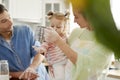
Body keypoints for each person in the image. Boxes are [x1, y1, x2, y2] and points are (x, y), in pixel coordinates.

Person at [43, 3, 113, 80]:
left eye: (76, 17)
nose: (74, 21)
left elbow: (87, 66)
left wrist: (58, 40)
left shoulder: (107, 41)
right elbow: (63, 56)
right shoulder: (76, 33)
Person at [0, 4, 49, 80]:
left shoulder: (26, 30)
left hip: (38, 76)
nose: (10, 22)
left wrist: (32, 68)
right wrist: (19, 75)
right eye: (4, 21)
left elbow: (42, 52)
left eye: (9, 17)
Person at [34, 11, 72, 80]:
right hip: (54, 64)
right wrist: (40, 49)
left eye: (58, 27)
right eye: (52, 26)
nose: (54, 29)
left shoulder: (65, 37)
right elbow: (44, 46)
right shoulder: (49, 37)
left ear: (64, 27)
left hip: (64, 62)